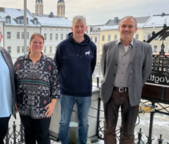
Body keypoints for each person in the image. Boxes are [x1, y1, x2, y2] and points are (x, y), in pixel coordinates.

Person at [100, 16, 152, 144]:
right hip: (111, 93)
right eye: (124, 26)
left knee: (129, 132)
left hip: (131, 94)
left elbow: (146, 71)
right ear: (119, 28)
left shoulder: (145, 48)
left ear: (135, 29)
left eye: (130, 26)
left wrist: (136, 85)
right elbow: (104, 69)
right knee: (108, 130)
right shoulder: (108, 46)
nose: (126, 29)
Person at [55, 15, 96, 144]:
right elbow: (57, 67)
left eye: (82, 26)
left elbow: (92, 67)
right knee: (64, 122)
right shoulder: (62, 46)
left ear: (86, 28)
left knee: (84, 122)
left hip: (85, 92)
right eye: (76, 26)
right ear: (72, 28)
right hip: (67, 91)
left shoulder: (92, 46)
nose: (79, 29)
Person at [14, 33, 60, 144]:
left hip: (43, 109)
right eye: (35, 42)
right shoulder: (20, 62)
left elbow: (56, 85)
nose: (37, 44)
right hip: (24, 108)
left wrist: (53, 104)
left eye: (40, 42)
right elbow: (13, 83)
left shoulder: (49, 63)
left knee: (43, 137)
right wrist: (15, 102)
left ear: (43, 45)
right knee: (28, 136)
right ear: (30, 43)